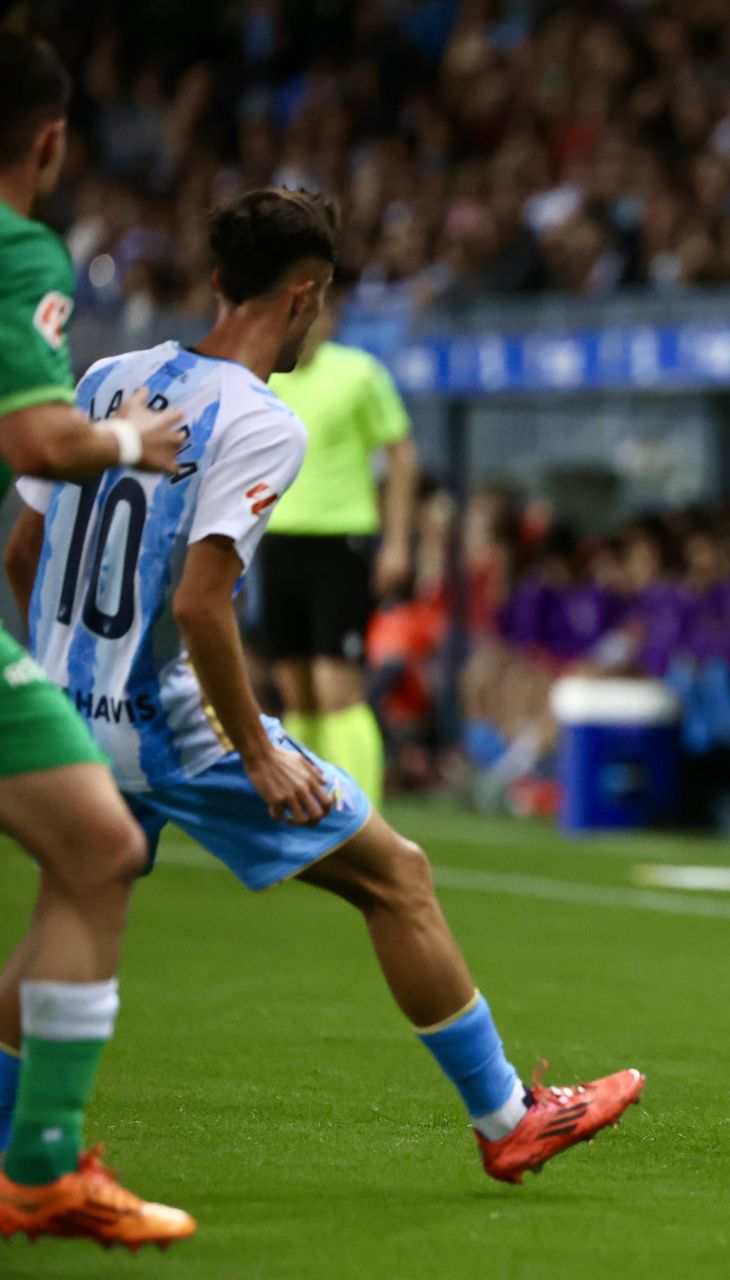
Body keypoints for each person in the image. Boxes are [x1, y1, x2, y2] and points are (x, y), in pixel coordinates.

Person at [1, 188, 643, 1191]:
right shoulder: (261, 417)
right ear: (306, 295)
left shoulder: (104, 377)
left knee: (63, 919)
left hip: (71, 716)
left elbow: (24, 551)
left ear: (219, 280)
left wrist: (70, 665)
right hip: (170, 724)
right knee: (399, 876)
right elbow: (205, 603)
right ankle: (509, 1117)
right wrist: (255, 747)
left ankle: (18, 1157)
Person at [0, 32, 195, 1250]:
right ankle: (43, 1171)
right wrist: (135, 441)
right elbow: (40, 442)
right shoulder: (21, 247)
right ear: (53, 141)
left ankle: (40, 1162)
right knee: (98, 848)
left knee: (94, 844)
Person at [258, 296, 418, 808]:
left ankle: (359, 811)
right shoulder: (268, 377)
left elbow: (401, 454)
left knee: (337, 687)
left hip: (340, 542)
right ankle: (309, 802)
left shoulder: (359, 374)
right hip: (278, 540)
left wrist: (397, 542)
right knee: (295, 687)